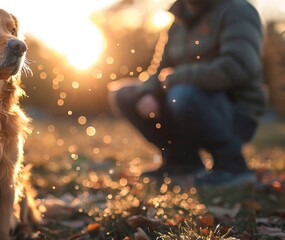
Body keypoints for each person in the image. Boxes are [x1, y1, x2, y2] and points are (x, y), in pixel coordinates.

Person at [109, 0, 266, 186]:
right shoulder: (177, 22)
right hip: (184, 100)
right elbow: (159, 69)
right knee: (124, 94)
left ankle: (231, 165)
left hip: (236, 112)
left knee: (182, 94)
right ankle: (182, 161)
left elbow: (238, 67)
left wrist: (175, 78)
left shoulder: (238, 10)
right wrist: (147, 93)